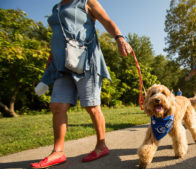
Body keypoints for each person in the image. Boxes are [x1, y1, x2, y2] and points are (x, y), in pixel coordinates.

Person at [31, 0, 133, 168]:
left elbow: (106, 20)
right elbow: (59, 33)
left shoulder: (86, 1)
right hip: (62, 65)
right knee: (57, 106)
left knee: (92, 106)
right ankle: (58, 152)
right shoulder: (56, 8)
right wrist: (52, 55)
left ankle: (101, 146)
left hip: (85, 61)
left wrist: (119, 38)